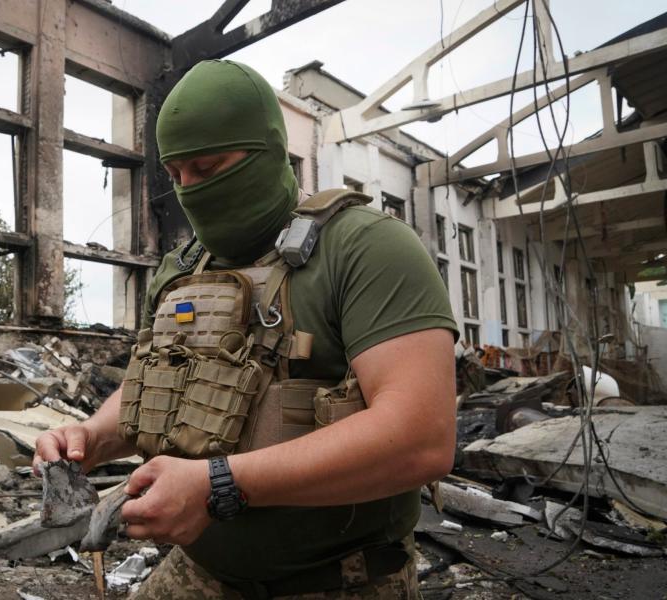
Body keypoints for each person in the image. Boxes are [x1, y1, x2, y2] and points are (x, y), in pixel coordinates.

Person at [34, 59, 458, 599]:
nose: (189, 189)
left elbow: (421, 439)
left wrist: (218, 487)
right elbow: (157, 386)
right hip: (204, 574)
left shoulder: (366, 248)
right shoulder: (181, 269)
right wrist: (90, 439)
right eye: (176, 174)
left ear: (270, 152)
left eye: (208, 169)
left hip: (336, 582)